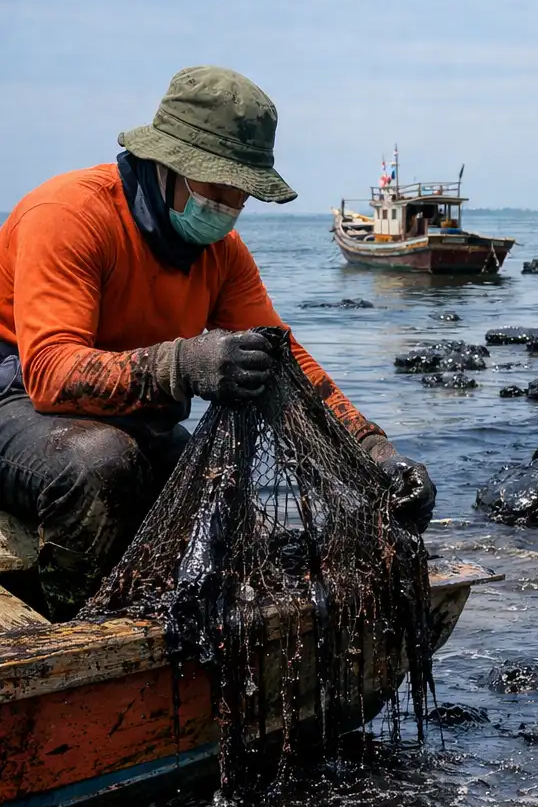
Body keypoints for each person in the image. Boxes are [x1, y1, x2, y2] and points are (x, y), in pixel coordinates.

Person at [0, 66, 436, 620]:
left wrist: (374, 452)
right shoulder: (69, 216)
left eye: (241, 193)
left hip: (117, 415)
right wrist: (183, 364)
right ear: (167, 165)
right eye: (216, 186)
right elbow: (51, 374)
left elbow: (287, 366)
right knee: (100, 463)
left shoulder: (222, 255)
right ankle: (69, 634)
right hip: (13, 395)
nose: (228, 206)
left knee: (211, 490)